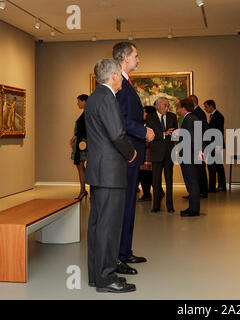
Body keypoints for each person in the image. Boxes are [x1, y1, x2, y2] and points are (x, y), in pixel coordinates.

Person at [85, 58, 137, 293]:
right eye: (120, 75)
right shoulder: (108, 98)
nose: (122, 80)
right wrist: (131, 154)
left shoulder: (94, 97)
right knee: (108, 227)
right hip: (110, 172)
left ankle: (97, 275)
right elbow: (117, 135)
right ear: (114, 75)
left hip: (98, 171)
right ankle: (107, 279)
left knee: (97, 225)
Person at [113, 41, 155, 275]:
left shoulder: (126, 82)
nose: (139, 59)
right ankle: (118, 256)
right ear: (125, 58)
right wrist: (143, 131)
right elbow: (119, 119)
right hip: (126, 154)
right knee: (124, 207)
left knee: (129, 205)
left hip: (132, 154)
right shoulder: (118, 83)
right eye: (136, 55)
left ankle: (125, 252)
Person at [146, 97, 178, 213]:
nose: (167, 107)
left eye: (168, 105)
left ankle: (170, 206)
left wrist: (175, 135)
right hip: (156, 153)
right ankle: (156, 205)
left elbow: (175, 134)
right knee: (156, 180)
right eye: (165, 105)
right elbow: (150, 134)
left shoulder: (172, 117)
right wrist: (164, 134)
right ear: (158, 106)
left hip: (169, 153)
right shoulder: (150, 117)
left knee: (169, 180)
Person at [176, 98, 204, 217]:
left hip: (188, 155)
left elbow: (191, 138)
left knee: (191, 182)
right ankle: (193, 207)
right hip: (193, 155)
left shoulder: (188, 119)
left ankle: (193, 209)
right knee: (193, 182)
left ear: (183, 108)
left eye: (179, 107)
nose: (178, 110)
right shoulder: (194, 118)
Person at [188, 94, 209, 198]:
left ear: (193, 102)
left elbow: (201, 129)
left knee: (200, 169)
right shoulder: (197, 112)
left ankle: (203, 192)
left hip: (199, 144)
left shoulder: (198, 113)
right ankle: (197, 192)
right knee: (197, 169)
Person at [203, 99, 226, 193]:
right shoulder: (213, 116)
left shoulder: (218, 116)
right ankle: (216, 186)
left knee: (215, 166)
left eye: (206, 106)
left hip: (215, 144)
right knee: (215, 165)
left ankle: (217, 186)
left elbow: (218, 131)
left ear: (211, 106)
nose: (205, 109)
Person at [70, 94, 89, 200]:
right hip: (81, 142)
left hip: (83, 143)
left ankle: (82, 191)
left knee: (80, 166)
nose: (77, 103)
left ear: (84, 101)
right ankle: (83, 190)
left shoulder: (88, 113)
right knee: (80, 166)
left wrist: (74, 137)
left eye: (79, 101)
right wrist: (74, 137)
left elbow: (84, 129)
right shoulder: (86, 113)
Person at [138, 105, 156, 201]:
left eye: (144, 112)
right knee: (146, 174)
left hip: (148, 153)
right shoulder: (144, 124)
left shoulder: (150, 125)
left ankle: (147, 194)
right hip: (145, 153)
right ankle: (158, 191)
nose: (142, 114)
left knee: (146, 174)